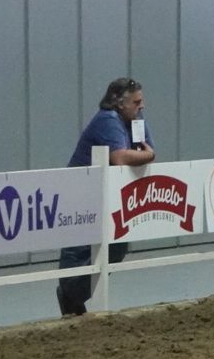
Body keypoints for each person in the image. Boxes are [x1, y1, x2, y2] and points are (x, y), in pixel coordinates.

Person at [55, 78, 155, 317]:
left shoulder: (135, 121)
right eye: (136, 102)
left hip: (104, 195)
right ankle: (70, 294)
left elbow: (143, 150)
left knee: (117, 247)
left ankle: (72, 295)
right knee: (79, 250)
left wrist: (147, 153)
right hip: (80, 194)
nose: (142, 106)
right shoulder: (106, 121)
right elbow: (122, 157)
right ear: (120, 103)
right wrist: (148, 155)